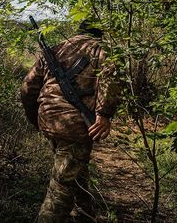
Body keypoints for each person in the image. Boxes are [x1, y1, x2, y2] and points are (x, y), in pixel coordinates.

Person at [21, 21, 121, 223]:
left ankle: (84, 214)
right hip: (74, 126)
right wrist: (104, 114)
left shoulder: (57, 48)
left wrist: (36, 118)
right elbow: (111, 76)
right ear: (99, 34)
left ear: (79, 31)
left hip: (49, 121)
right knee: (60, 190)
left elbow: (27, 87)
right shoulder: (100, 49)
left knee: (74, 169)